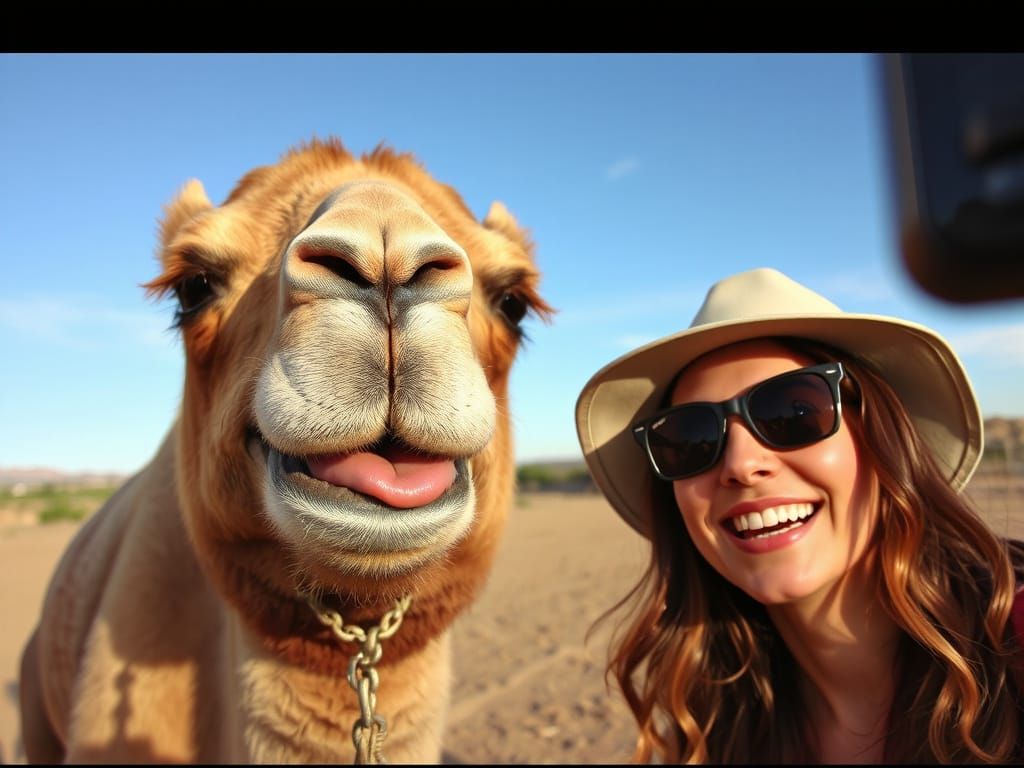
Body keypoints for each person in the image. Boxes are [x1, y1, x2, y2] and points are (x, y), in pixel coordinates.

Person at [575, 267, 1024, 764]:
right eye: (690, 439)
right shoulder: (716, 724)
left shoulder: (1014, 640)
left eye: (794, 413)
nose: (742, 465)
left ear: (883, 438)